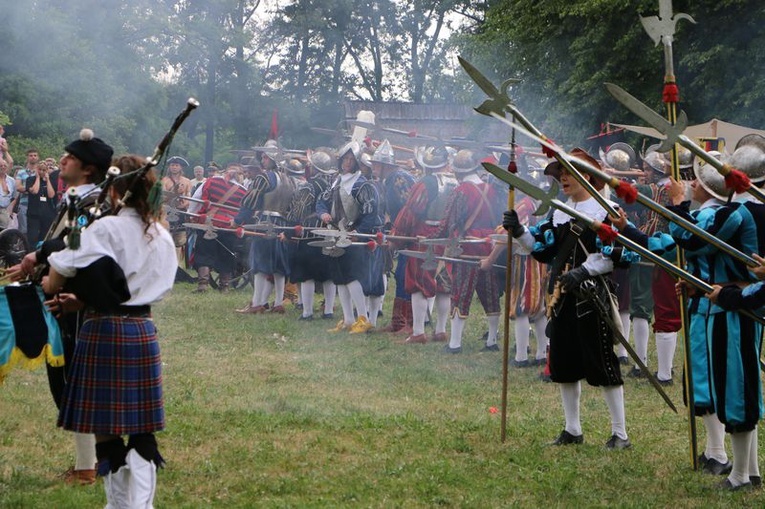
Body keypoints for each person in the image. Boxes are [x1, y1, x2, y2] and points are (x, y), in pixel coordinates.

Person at [42, 153, 176, 507]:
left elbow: (58, 274)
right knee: (142, 429)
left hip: (104, 331)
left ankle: (118, 505)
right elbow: (130, 286)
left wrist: (55, 281)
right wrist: (86, 298)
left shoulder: (105, 228)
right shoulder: (161, 234)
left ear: (115, 191)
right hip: (143, 330)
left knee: (107, 429)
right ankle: (141, 506)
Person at [504, 148, 638, 449]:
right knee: (563, 364)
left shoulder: (607, 211)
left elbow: (619, 255)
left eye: (567, 173)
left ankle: (620, 434)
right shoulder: (561, 211)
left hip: (592, 296)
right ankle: (572, 429)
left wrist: (584, 271)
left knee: (603, 363)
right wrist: (519, 230)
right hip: (561, 297)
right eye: (559, 174)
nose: (561, 179)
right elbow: (542, 247)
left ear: (587, 176)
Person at [8, 128, 114, 485]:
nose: (63, 160)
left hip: (79, 302)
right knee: (66, 382)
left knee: (75, 382)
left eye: (70, 156)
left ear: (87, 169)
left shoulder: (95, 204)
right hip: (60, 295)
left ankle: (91, 466)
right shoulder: (76, 199)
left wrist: (39, 253)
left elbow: (80, 245)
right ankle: (91, 462)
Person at [435, 149, 504, 353]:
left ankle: (455, 343)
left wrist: (433, 236)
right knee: (491, 295)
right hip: (489, 247)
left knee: (460, 294)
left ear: (458, 172)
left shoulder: (461, 190)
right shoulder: (490, 189)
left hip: (467, 249)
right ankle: (492, 340)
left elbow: (449, 221)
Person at [316, 140, 383, 334]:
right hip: (336, 233)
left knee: (352, 278)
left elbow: (371, 213)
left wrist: (357, 233)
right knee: (339, 278)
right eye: (344, 159)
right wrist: (323, 214)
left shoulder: (363, 185)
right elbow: (322, 202)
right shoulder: (336, 180)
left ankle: (362, 318)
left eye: (350, 160)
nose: (346, 163)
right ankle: (348, 319)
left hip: (354, 237)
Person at [391, 145, 456, 344]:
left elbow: (411, 212)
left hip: (424, 238)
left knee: (418, 284)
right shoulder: (455, 183)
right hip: (447, 238)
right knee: (444, 284)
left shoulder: (425, 183)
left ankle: (418, 331)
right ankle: (440, 330)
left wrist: (397, 235)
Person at [234, 141, 294, 314]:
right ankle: (277, 303)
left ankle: (258, 303)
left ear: (272, 159)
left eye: (266, 157)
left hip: (265, 223)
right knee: (278, 266)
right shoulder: (290, 180)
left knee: (260, 264)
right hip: (283, 225)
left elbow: (251, 202)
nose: (263, 160)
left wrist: (238, 220)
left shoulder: (264, 177)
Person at [370, 140, 416, 332]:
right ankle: (400, 322)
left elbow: (409, 211)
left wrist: (398, 236)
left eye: (375, 164)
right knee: (401, 274)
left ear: (383, 165)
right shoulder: (392, 180)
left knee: (405, 274)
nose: (372, 167)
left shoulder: (399, 180)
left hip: (410, 235)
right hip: (404, 234)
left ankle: (406, 323)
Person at [188, 163, 247, 292]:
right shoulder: (243, 190)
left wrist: (192, 215)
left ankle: (203, 285)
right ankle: (224, 286)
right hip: (229, 226)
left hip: (209, 222)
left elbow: (196, 199)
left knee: (204, 252)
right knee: (226, 254)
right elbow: (244, 211)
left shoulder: (211, 181)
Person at [161, 156, 192, 265]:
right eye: (172, 165)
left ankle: (177, 265)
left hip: (181, 212)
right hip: (166, 212)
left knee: (179, 240)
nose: (174, 167)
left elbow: (189, 197)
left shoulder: (187, 181)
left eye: (176, 165)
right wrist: (174, 193)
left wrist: (184, 204)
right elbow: (162, 197)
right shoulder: (164, 180)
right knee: (166, 237)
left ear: (180, 167)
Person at [25, 157, 59, 246]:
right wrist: (37, 178)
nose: (42, 172)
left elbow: (51, 195)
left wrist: (47, 180)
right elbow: (35, 191)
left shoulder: (49, 181)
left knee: (44, 237)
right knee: (32, 236)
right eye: (40, 169)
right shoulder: (30, 180)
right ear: (37, 169)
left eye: (44, 170)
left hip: (47, 214)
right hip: (34, 213)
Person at [15, 148, 41, 236]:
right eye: (30, 155)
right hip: (24, 204)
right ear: (27, 157)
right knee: (23, 231)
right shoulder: (21, 172)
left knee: (36, 231)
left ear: (38, 157)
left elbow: (40, 189)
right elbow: (18, 187)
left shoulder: (41, 172)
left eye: (35, 155)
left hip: (37, 205)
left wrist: (26, 189)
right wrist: (31, 190)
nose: (33, 157)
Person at [0, 158, 18, 228]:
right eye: (0, 166)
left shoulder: (11, 180)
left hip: (5, 210)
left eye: (4, 166)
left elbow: (15, 197)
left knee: (4, 230)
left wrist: (10, 208)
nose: (3, 167)